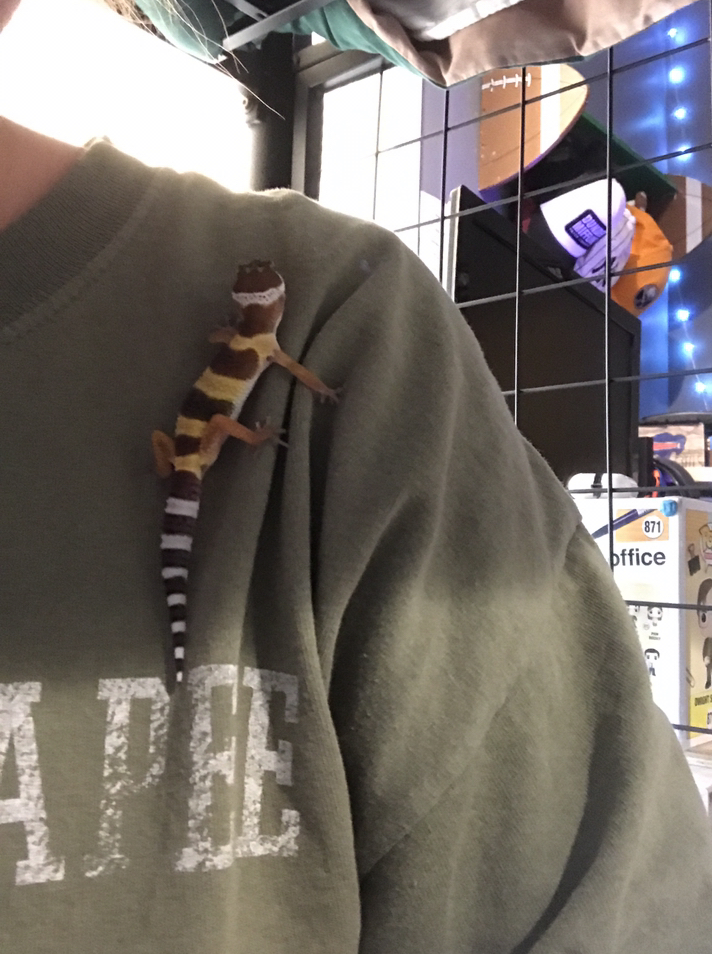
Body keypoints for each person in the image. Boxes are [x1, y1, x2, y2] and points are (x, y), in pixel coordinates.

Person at [2, 2, 712, 952]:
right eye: (264, 294)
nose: (268, 293)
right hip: (202, 449)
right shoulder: (278, 340)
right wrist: (259, 427)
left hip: (196, 449)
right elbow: (281, 374)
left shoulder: (338, 318)